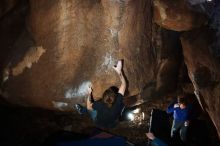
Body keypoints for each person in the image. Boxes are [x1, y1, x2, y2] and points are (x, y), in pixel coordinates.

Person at [75, 60, 126, 128]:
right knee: (122, 107)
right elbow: (124, 84)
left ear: (103, 97)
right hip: (112, 123)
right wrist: (120, 73)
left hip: (98, 122)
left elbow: (89, 107)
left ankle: (82, 111)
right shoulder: (118, 103)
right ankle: (115, 122)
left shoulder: (99, 105)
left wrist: (89, 94)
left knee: (90, 111)